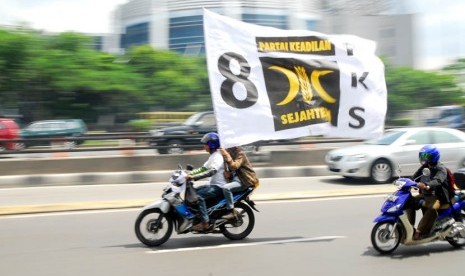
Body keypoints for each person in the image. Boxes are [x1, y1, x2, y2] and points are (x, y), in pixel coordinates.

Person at [407, 144, 451, 240]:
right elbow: (414, 177)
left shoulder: (441, 168)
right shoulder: (425, 166)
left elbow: (438, 180)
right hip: (426, 194)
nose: (423, 158)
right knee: (408, 203)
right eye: (422, 156)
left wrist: (427, 185)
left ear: (433, 157)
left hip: (438, 196)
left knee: (432, 208)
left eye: (426, 156)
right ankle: (409, 228)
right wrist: (406, 182)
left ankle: (420, 232)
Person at [185, 132, 228, 231]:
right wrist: (188, 173)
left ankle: (205, 222)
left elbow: (211, 171)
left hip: (218, 187)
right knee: (193, 191)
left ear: (211, 145)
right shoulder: (212, 156)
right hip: (212, 184)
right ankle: (199, 216)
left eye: (206, 144)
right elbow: (203, 169)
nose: (204, 146)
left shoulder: (217, 157)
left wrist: (194, 177)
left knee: (198, 196)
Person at [219, 146, 259, 220]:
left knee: (226, 188)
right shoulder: (229, 156)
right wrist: (229, 175)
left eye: (228, 148)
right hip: (237, 181)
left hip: (245, 181)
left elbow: (234, 166)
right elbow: (233, 173)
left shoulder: (240, 154)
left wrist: (226, 155)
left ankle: (231, 212)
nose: (226, 149)